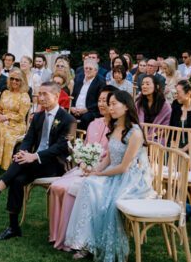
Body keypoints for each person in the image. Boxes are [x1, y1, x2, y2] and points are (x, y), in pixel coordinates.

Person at [0, 81, 74, 241]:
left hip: (55, 164)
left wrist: (34, 156)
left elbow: (61, 147)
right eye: (39, 94)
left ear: (56, 96)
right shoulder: (37, 117)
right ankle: (13, 227)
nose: (41, 98)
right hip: (33, 163)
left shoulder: (68, 119)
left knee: (20, 165)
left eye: (45, 94)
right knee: (17, 180)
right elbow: (28, 139)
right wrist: (23, 152)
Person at [62, 89, 155, 260]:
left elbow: (123, 167)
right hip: (111, 173)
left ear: (126, 106)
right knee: (88, 185)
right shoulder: (115, 127)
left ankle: (97, 244)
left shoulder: (134, 133)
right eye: (109, 104)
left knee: (100, 196)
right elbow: (109, 159)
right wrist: (94, 170)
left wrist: (99, 174)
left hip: (128, 179)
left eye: (114, 104)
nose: (109, 107)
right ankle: (86, 242)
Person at [49, 88, 114, 251]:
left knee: (69, 189)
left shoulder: (117, 128)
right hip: (84, 167)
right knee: (56, 186)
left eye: (105, 101)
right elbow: (84, 148)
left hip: (102, 171)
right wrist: (83, 163)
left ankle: (69, 237)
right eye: (99, 100)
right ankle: (56, 235)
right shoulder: (93, 123)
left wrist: (92, 168)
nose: (101, 104)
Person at [0, 68, 32, 173]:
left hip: (16, 125)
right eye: (12, 79)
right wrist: (0, 115)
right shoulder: (5, 93)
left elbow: (21, 116)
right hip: (1, 121)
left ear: (22, 81)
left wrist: (7, 117)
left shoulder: (24, 96)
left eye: (17, 80)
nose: (14, 81)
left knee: (1, 132)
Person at [70, 58, 102, 128]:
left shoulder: (100, 82)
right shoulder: (78, 78)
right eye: (86, 68)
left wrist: (86, 109)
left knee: (85, 118)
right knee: (65, 115)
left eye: (90, 69)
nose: (87, 70)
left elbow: (100, 101)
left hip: (90, 111)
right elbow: (72, 95)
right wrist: (72, 107)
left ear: (96, 71)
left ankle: (81, 138)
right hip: (75, 109)